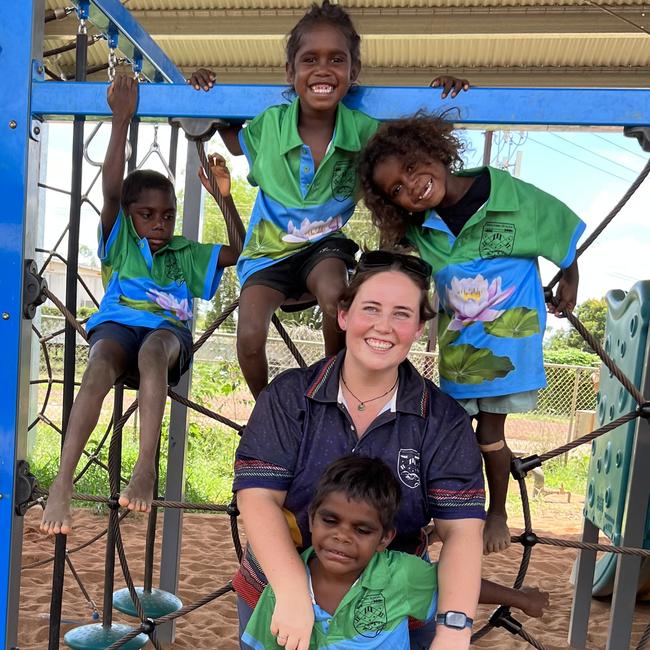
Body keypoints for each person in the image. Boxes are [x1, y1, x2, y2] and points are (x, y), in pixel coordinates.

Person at [232, 252, 548, 650]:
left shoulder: (442, 421)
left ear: (418, 328)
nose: (384, 326)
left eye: (402, 313)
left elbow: (462, 532)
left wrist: (454, 629)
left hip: (390, 604)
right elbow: (257, 498)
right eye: (371, 308)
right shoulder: (291, 396)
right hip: (278, 591)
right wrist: (295, 591)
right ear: (343, 315)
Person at [189, 0, 469, 398]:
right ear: (291, 72)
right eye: (310, 59)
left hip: (325, 247)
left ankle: (332, 392)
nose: (323, 69)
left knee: (337, 299)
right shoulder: (269, 127)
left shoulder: (365, 131)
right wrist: (206, 93)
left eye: (336, 59)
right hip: (268, 252)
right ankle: (266, 409)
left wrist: (441, 95)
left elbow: (408, 137)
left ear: (352, 72)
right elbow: (233, 138)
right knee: (249, 336)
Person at [358, 115, 586, 554]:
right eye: (397, 191)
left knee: (490, 436)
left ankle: (496, 511)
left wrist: (570, 275)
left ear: (434, 149)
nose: (412, 186)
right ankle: (439, 516)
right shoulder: (422, 231)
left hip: (509, 351)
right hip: (460, 356)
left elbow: (562, 231)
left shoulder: (511, 198)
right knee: (448, 437)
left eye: (410, 167)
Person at [40, 75, 241, 535]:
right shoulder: (121, 242)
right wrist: (120, 120)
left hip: (166, 338)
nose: (159, 224)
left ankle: (146, 465)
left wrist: (225, 201)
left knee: (152, 353)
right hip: (116, 328)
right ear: (131, 217)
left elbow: (242, 251)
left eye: (167, 215)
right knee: (96, 367)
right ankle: (63, 483)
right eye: (147, 215)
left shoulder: (186, 253)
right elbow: (112, 190)